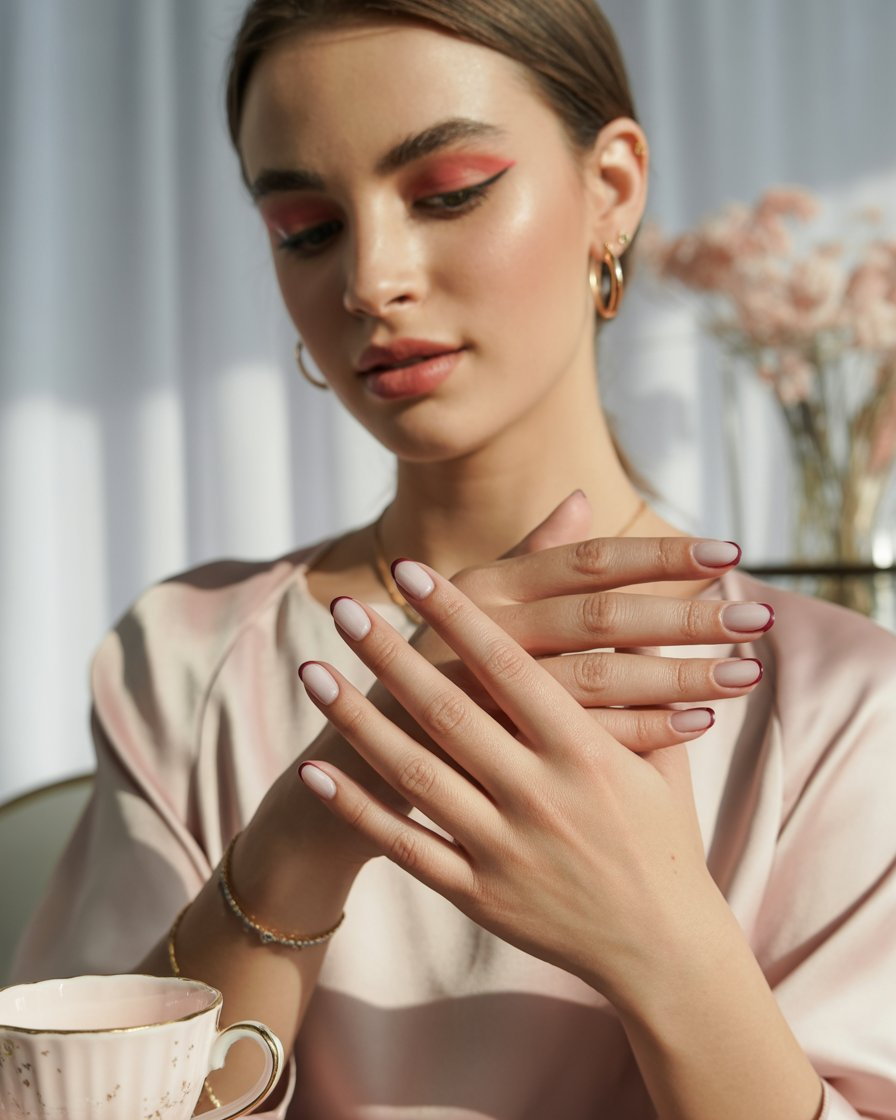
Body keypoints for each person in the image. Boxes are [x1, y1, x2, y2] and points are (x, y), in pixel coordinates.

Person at [13, 2, 896, 1118]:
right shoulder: (186, 660)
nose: (369, 280)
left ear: (611, 190)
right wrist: (303, 826)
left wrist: (662, 945)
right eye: (305, 227)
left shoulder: (843, 704)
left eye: (447, 194)